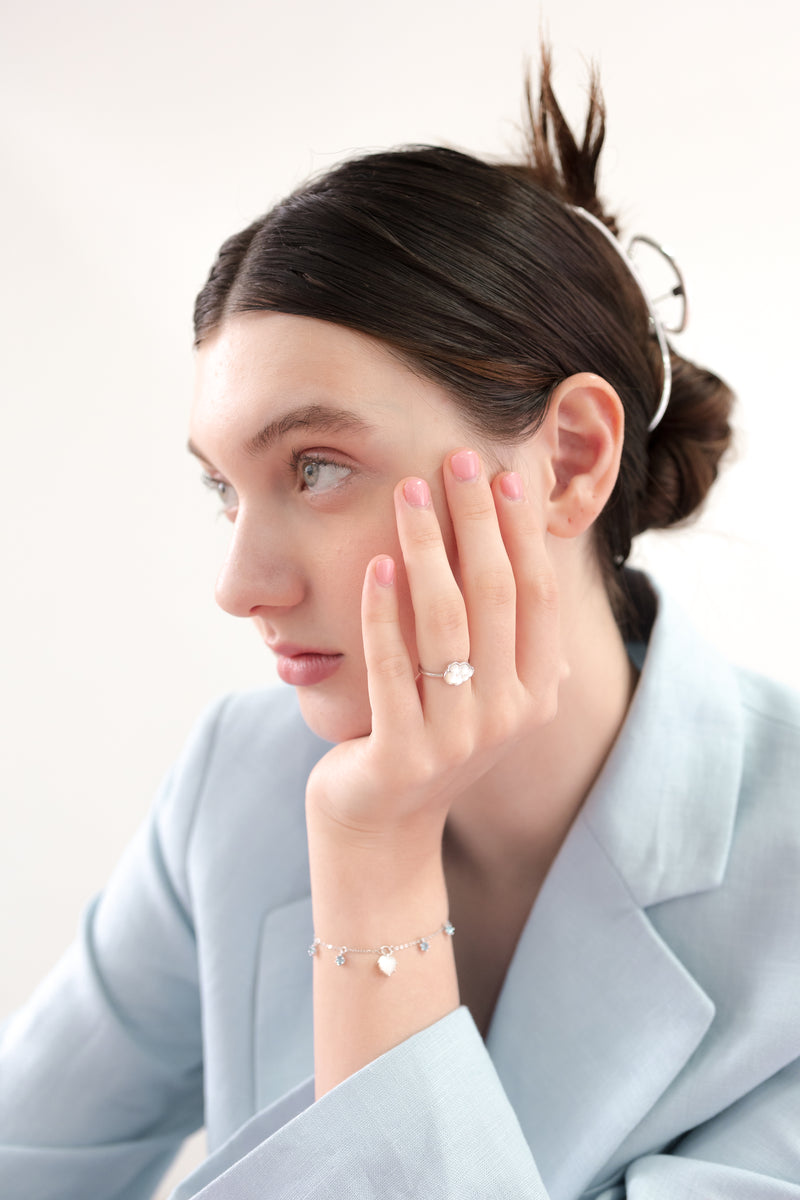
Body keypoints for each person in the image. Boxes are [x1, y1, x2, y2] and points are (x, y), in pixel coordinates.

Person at [1, 50, 799, 1200]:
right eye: (225, 488)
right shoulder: (239, 781)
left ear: (570, 459)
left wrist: (374, 866)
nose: (239, 584)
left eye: (316, 466)